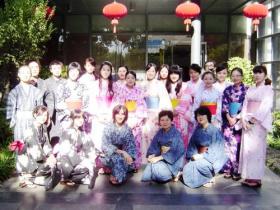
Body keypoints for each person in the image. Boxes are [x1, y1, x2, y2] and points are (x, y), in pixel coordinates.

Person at [239, 65, 273, 187]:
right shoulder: (250, 89)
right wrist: (243, 119)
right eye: (255, 73)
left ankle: (256, 178)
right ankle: (248, 176)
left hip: (258, 123)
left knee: (256, 150)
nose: (257, 75)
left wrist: (253, 121)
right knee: (247, 149)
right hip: (247, 120)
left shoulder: (268, 89)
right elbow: (245, 104)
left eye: (260, 73)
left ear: (265, 75)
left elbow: (265, 107)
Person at [10, 105, 59, 190]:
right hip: (28, 159)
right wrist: (47, 160)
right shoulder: (29, 130)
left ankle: (37, 178)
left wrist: (51, 155)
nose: (44, 118)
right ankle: (27, 176)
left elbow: (46, 143)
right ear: (35, 115)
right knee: (49, 166)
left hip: (38, 157)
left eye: (45, 115)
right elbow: (35, 149)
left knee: (54, 164)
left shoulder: (43, 126)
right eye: (41, 115)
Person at [182, 107, 227, 188]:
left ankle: (210, 176)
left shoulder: (214, 131)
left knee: (199, 165)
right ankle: (204, 178)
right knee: (187, 168)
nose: (200, 117)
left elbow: (216, 149)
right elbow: (192, 144)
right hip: (198, 156)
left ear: (208, 116)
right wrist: (192, 155)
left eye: (203, 115)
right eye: (198, 115)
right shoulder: (197, 130)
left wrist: (202, 156)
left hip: (210, 158)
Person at [114, 71, 147, 169]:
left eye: (132, 78)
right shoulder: (121, 90)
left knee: (135, 142)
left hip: (136, 120)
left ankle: (134, 165)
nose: (130, 80)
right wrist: (123, 118)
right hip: (124, 119)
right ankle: (124, 164)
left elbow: (142, 105)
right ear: (125, 79)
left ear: (135, 79)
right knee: (124, 143)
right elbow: (118, 105)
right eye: (128, 78)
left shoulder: (139, 91)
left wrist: (137, 119)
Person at [57, 109, 96, 189]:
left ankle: (76, 178)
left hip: (78, 159)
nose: (80, 120)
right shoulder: (67, 132)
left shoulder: (82, 132)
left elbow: (88, 146)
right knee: (85, 169)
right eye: (77, 118)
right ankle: (67, 177)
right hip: (67, 160)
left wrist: (91, 157)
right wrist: (82, 161)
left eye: (81, 118)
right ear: (72, 119)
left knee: (87, 168)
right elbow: (66, 150)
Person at [141, 110, 184, 183]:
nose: (165, 122)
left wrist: (159, 158)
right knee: (147, 176)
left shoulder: (176, 133)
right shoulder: (160, 132)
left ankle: (175, 173)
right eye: (162, 120)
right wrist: (152, 155)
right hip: (161, 160)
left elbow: (177, 151)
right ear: (159, 122)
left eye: (167, 120)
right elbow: (154, 146)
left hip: (173, 162)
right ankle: (170, 174)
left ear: (171, 120)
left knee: (157, 171)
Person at [141, 63, 172, 162]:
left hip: (156, 114)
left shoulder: (159, 84)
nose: (150, 73)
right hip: (144, 114)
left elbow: (164, 100)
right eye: (148, 70)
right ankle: (144, 160)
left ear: (156, 72)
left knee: (154, 136)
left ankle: (156, 159)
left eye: (153, 71)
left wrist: (159, 115)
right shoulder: (142, 84)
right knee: (144, 135)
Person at [221, 68, 247, 180]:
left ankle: (237, 170)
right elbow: (224, 104)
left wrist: (236, 117)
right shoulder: (227, 90)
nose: (235, 78)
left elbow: (246, 106)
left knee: (237, 145)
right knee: (227, 144)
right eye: (233, 75)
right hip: (228, 121)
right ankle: (228, 168)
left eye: (238, 75)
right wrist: (228, 117)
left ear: (242, 76)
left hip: (240, 120)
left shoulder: (247, 90)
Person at [100, 105, 136, 185]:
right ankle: (117, 176)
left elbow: (131, 144)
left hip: (124, 154)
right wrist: (122, 152)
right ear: (114, 114)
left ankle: (115, 175)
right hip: (109, 154)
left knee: (124, 161)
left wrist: (130, 157)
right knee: (117, 159)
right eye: (118, 114)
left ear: (125, 116)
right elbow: (105, 145)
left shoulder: (127, 129)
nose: (120, 116)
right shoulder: (108, 127)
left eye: (123, 114)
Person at [6, 65, 43, 140]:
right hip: (19, 122)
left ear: (30, 74)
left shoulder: (37, 91)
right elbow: (10, 111)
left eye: (27, 73)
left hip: (34, 121)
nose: (25, 75)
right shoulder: (14, 92)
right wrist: (12, 124)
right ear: (19, 74)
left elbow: (40, 108)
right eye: (23, 73)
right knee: (20, 146)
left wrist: (39, 120)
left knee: (34, 147)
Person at [87, 61, 116, 151]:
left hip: (109, 115)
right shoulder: (94, 84)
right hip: (98, 115)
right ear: (100, 71)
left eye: (108, 70)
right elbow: (91, 100)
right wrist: (97, 115)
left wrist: (111, 115)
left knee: (109, 139)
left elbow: (115, 101)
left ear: (111, 72)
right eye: (104, 70)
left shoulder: (114, 85)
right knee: (97, 138)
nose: (106, 72)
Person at [166, 65, 193, 148]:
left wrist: (176, 109)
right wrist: (171, 111)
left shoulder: (185, 86)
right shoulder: (165, 86)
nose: (174, 76)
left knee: (182, 138)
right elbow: (163, 102)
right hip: (169, 116)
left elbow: (188, 100)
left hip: (182, 116)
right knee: (169, 140)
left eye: (176, 73)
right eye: (171, 73)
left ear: (179, 75)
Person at [44, 60, 66, 144]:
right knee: (53, 136)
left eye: (59, 68)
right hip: (52, 114)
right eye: (54, 68)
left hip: (64, 114)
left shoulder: (65, 82)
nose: (57, 70)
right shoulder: (46, 82)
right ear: (51, 70)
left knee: (64, 136)